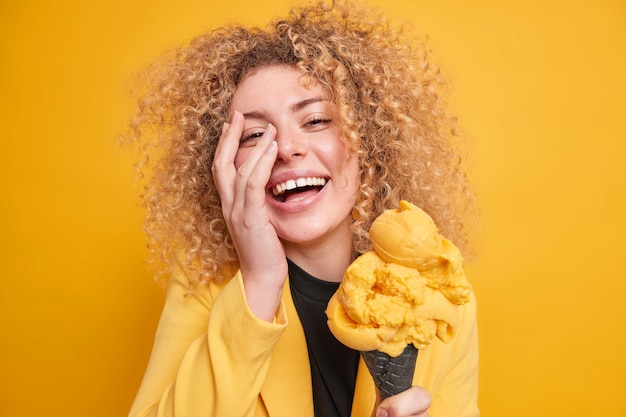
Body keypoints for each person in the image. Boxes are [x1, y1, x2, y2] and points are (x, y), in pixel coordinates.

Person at [125, 1, 480, 416]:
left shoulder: (439, 297)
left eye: (315, 121)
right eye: (254, 135)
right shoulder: (207, 285)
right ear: (224, 166)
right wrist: (260, 281)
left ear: (369, 141)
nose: (287, 148)